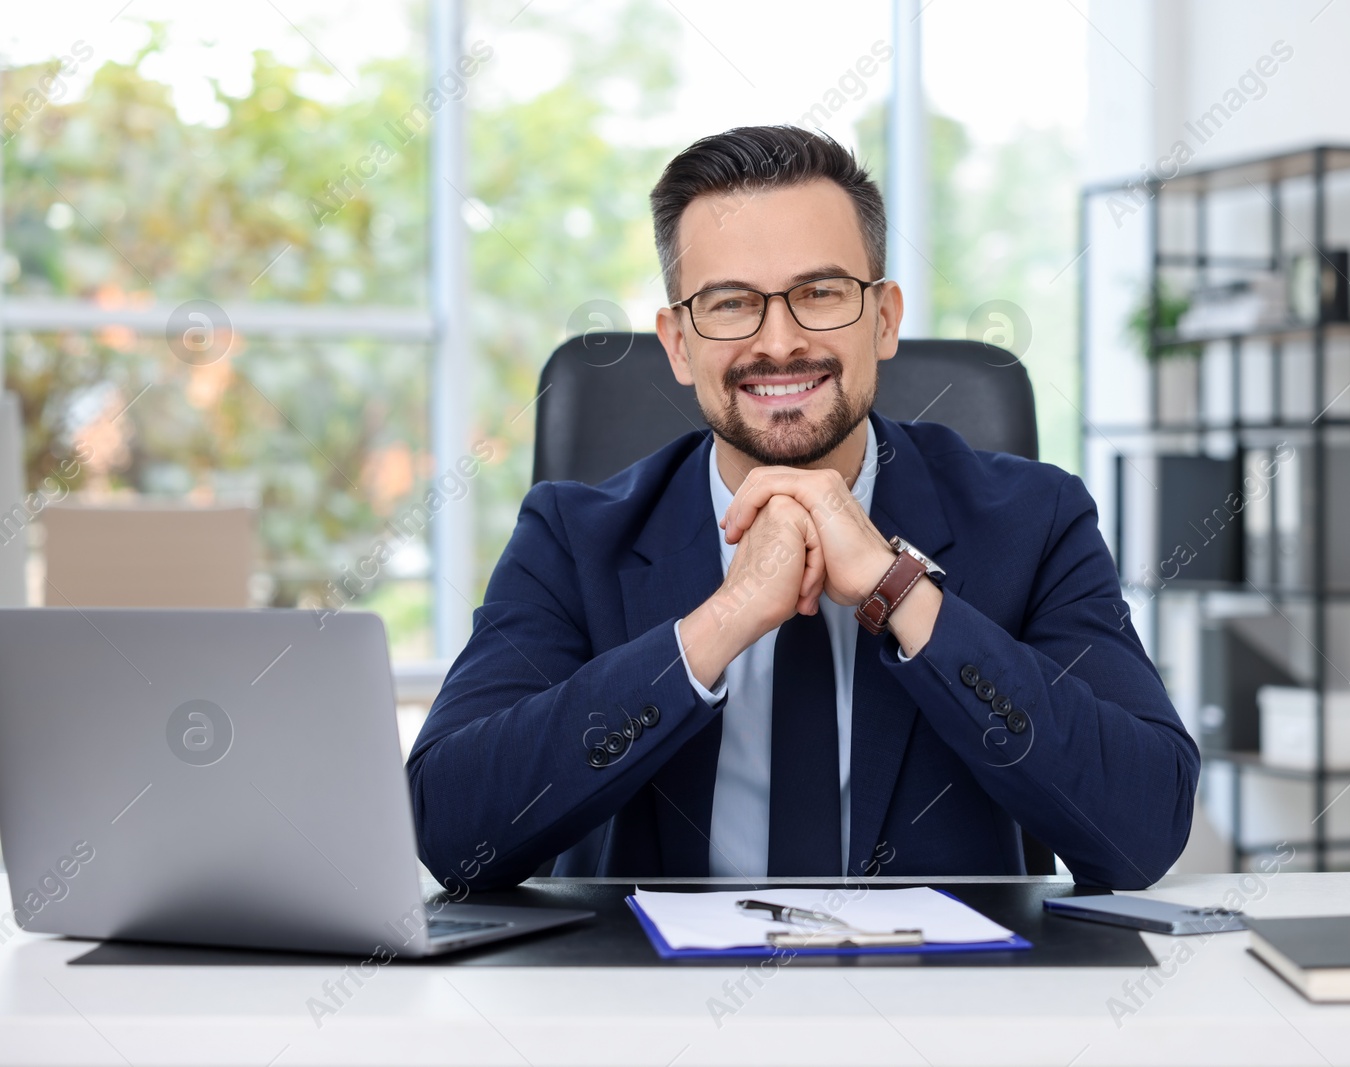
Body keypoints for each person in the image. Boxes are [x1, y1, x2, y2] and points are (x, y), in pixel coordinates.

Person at [407, 125, 1197, 889]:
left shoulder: (1036, 520)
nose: (779, 341)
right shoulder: (573, 537)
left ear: (884, 318)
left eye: (820, 293)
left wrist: (899, 591)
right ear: (679, 344)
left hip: (949, 1005)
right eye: (728, 303)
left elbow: (1140, 832)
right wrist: (725, 618)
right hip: (654, 1010)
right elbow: (451, 829)